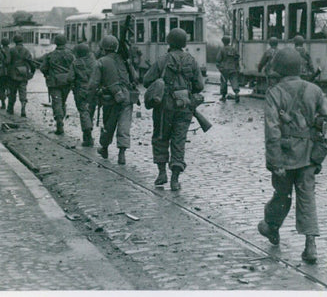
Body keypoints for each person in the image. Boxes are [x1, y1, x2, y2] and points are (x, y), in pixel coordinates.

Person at [257, 47, 327, 264]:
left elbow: (272, 131)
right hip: (309, 156)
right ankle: (310, 245)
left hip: (284, 156)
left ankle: (271, 227)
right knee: (307, 196)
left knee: (282, 195)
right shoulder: (314, 89)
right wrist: (316, 127)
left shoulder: (274, 93)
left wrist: (275, 162)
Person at [142, 28, 204, 191]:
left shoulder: (162, 60)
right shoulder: (192, 60)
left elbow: (146, 80)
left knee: (161, 137)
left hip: (164, 107)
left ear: (169, 41)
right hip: (184, 107)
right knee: (179, 141)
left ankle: (162, 173)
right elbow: (199, 85)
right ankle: (175, 180)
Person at [88, 34, 137, 165]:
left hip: (110, 98)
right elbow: (135, 77)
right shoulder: (124, 60)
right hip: (127, 96)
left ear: (103, 48)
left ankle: (104, 148)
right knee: (124, 125)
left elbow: (93, 84)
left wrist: (93, 94)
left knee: (108, 124)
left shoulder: (101, 62)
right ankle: (122, 153)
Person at [40, 34, 75, 135]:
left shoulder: (50, 55)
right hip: (66, 82)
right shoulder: (71, 55)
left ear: (55, 42)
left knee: (57, 102)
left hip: (54, 83)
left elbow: (43, 68)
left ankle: (59, 121)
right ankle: (61, 118)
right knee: (62, 101)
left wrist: (47, 74)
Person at [72, 41, 98, 146]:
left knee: (83, 112)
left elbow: (70, 77)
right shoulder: (95, 62)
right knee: (90, 111)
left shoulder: (76, 63)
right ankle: (88, 134)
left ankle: (88, 136)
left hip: (81, 91)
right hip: (93, 91)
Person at [7, 35, 35, 117]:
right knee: (23, 91)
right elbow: (31, 63)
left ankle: (10, 108)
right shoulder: (26, 51)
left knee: (12, 92)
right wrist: (32, 72)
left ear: (15, 41)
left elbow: (7, 62)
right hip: (23, 74)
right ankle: (23, 107)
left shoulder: (11, 50)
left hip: (13, 74)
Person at [216, 35, 241, 103]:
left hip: (224, 69)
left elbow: (218, 59)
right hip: (233, 68)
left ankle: (223, 96)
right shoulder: (234, 49)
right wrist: (237, 67)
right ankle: (237, 93)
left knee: (224, 82)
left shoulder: (222, 49)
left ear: (223, 42)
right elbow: (237, 57)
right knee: (234, 81)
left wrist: (219, 66)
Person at [0, 38, 12, 110]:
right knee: (10, 87)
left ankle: (3, 103)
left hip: (1, 72)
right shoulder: (11, 51)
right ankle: (10, 103)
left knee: (1, 88)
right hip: (10, 72)